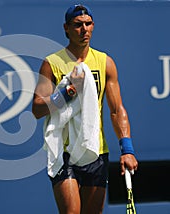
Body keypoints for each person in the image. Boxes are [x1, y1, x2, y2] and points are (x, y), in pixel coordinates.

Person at [32, 4, 138, 214]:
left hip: (96, 151)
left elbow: (117, 110)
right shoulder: (51, 63)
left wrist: (127, 149)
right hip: (64, 152)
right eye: (78, 25)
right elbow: (37, 108)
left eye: (88, 24)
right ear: (66, 28)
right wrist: (67, 93)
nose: (84, 30)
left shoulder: (105, 62)